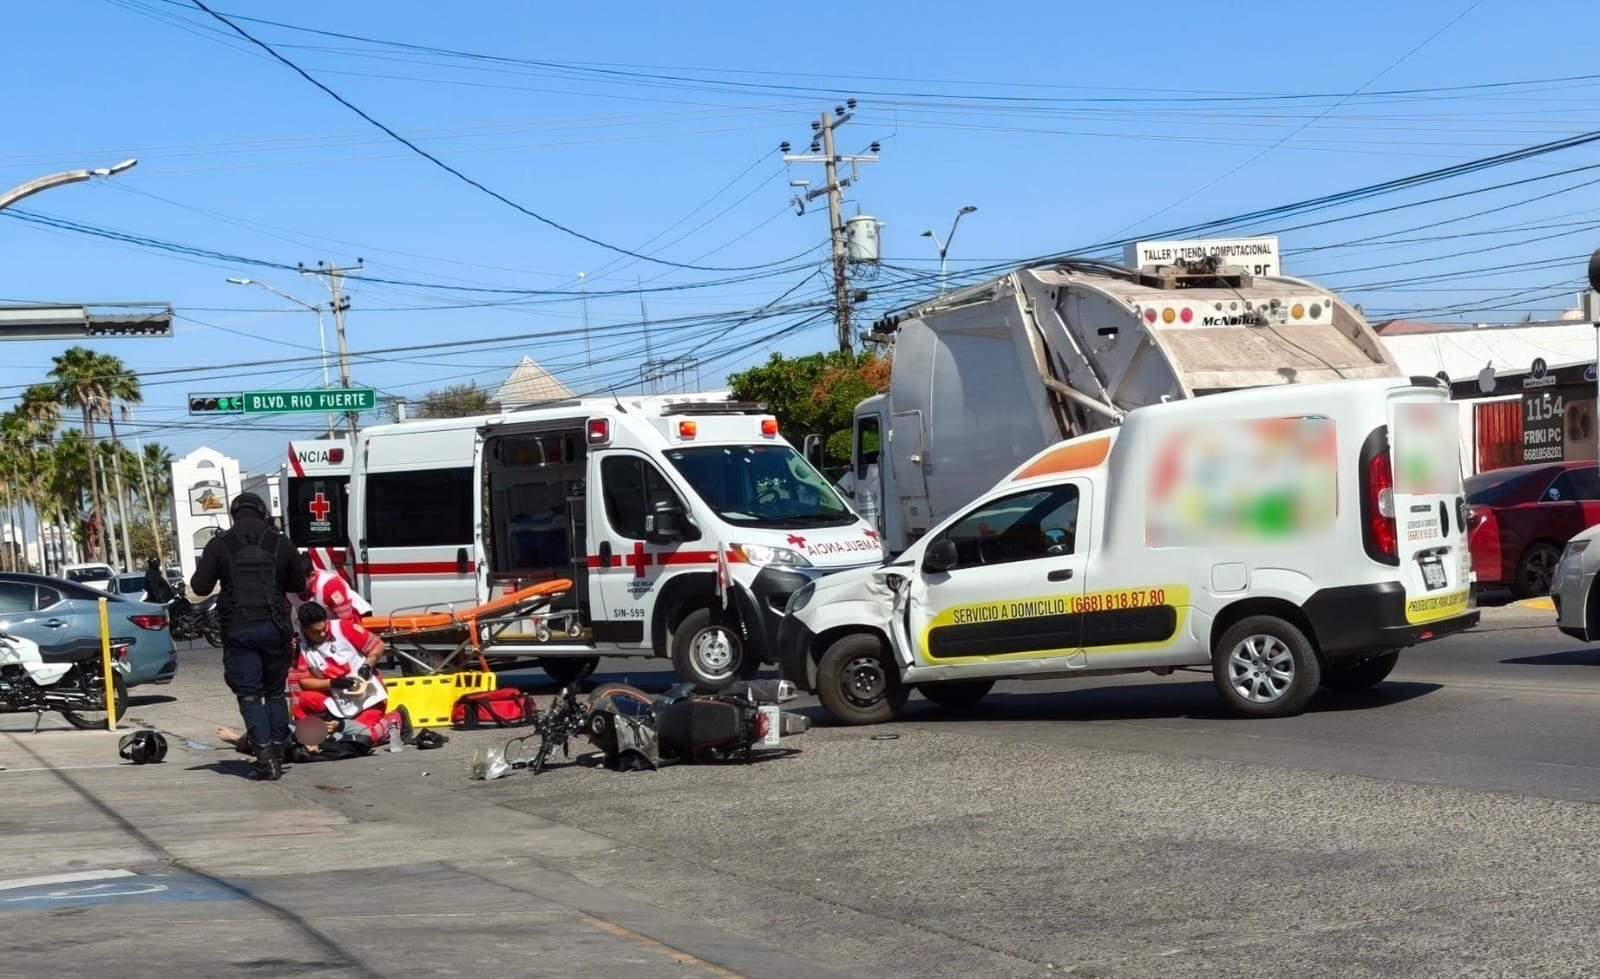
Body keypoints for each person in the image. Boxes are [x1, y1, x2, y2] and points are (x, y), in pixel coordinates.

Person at [191, 491, 305, 781]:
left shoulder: (220, 544)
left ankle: (265, 760)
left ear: (234, 514)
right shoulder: (280, 542)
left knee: (250, 695)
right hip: (275, 627)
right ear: (263, 513)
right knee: (275, 692)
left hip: (239, 629)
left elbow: (200, 587)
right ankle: (279, 752)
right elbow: (298, 583)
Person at [288, 601, 408, 752]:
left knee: (364, 738)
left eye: (324, 628)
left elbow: (378, 645)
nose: (323, 634)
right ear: (304, 629)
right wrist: (332, 683)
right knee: (304, 700)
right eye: (316, 632)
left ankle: (396, 719)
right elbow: (302, 683)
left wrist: (368, 665)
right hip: (337, 698)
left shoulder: (343, 628)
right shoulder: (298, 645)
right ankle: (324, 731)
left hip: (368, 697)